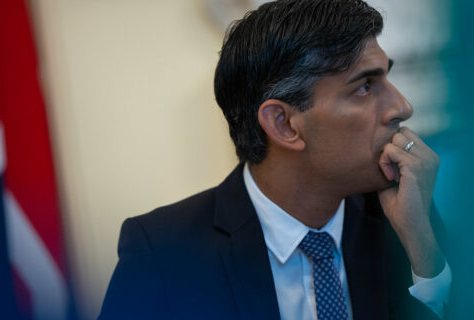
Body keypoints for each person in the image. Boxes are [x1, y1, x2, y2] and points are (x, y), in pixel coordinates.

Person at [99, 0, 451, 319]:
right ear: (284, 125)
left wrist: (425, 253)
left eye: (387, 77)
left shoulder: (407, 219)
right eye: (364, 86)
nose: (402, 107)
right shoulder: (165, 253)